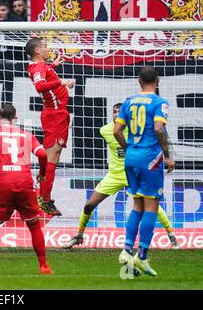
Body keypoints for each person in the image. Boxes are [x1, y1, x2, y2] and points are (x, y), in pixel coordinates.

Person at [63, 103, 179, 250]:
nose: (117, 113)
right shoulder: (105, 130)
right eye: (114, 111)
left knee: (152, 205)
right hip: (114, 175)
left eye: (120, 111)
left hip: (134, 174)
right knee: (89, 204)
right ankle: (79, 235)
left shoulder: (136, 130)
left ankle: (172, 237)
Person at [0, 103, 53, 276]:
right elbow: (42, 155)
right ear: (15, 119)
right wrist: (43, 174)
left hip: (1, 182)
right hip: (24, 182)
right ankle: (44, 266)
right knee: (34, 225)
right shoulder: (26, 134)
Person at [114, 66, 175, 277]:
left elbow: (117, 131)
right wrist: (167, 156)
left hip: (131, 158)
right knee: (151, 206)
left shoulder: (129, 101)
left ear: (139, 81)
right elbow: (159, 128)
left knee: (137, 205)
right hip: (151, 160)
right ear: (157, 81)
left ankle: (127, 250)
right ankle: (141, 256)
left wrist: (128, 148)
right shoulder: (160, 102)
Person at [25, 37, 75, 216]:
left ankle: (42, 193)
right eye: (45, 46)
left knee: (53, 156)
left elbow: (42, 74)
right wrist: (61, 81)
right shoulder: (38, 67)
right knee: (51, 159)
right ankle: (44, 198)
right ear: (37, 51)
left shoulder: (42, 67)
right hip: (54, 115)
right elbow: (40, 85)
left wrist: (52, 66)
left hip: (57, 114)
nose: (48, 49)